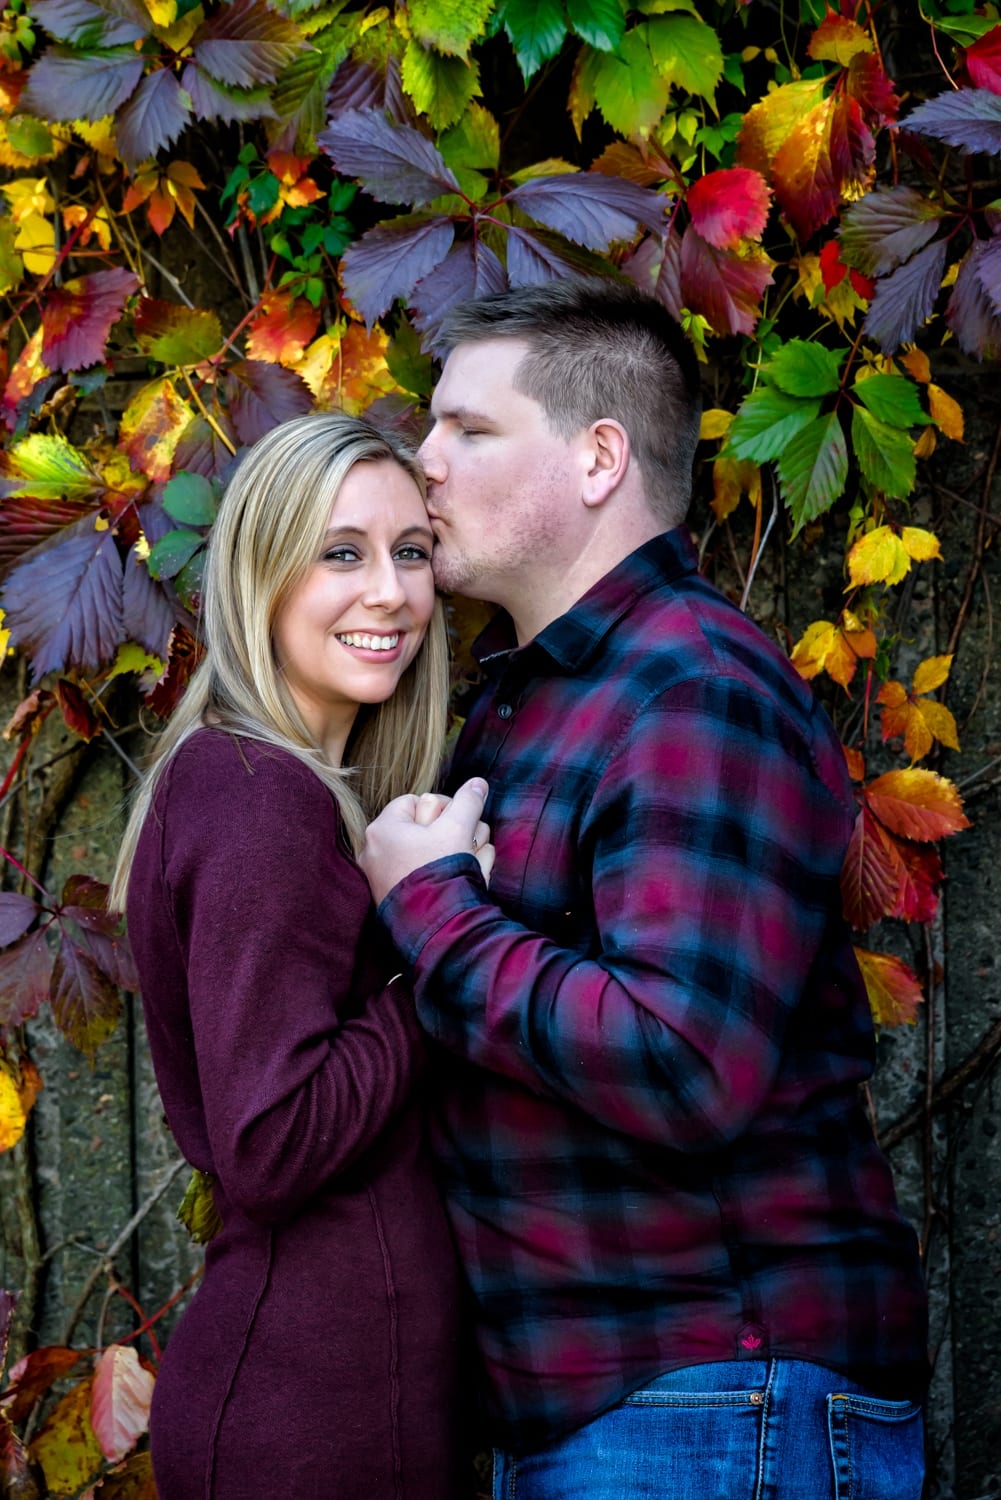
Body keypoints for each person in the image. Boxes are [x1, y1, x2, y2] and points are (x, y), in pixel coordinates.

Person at [359, 279, 930, 1499]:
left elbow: (681, 1062)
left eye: (468, 429)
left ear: (598, 457)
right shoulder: (531, 699)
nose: (426, 464)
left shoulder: (690, 689)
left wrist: (434, 906)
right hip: (608, 1408)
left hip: (715, 1403)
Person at [111, 413, 477, 1500]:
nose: (389, 594)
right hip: (305, 1421)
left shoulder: (289, 790)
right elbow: (270, 1144)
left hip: (349, 1407)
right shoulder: (258, 794)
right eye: (340, 553)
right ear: (258, 576)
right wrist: (437, 942)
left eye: (410, 552)